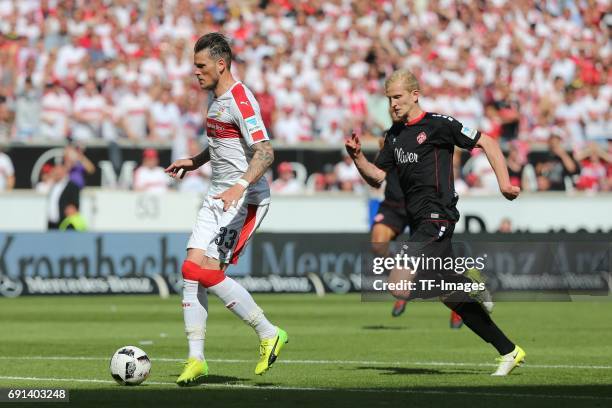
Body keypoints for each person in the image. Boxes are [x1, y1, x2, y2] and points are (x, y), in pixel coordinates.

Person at [345, 70, 524, 376]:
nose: (393, 104)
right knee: (449, 295)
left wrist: (505, 184)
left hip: (437, 217)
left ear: (415, 95)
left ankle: (469, 284)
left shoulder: (440, 125)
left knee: (399, 284)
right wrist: (358, 157)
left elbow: (489, 142)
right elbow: (377, 177)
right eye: (389, 99)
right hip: (418, 223)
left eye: (398, 97)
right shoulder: (394, 135)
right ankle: (508, 350)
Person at [165, 33, 287, 386]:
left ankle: (268, 332)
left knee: (204, 272)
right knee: (190, 270)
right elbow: (221, 141)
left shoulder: (240, 100)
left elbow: (265, 151)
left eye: (200, 66)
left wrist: (241, 185)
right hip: (216, 196)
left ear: (221, 64)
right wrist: (194, 160)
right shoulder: (216, 100)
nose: (195, 73)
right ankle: (196, 359)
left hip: (244, 200)